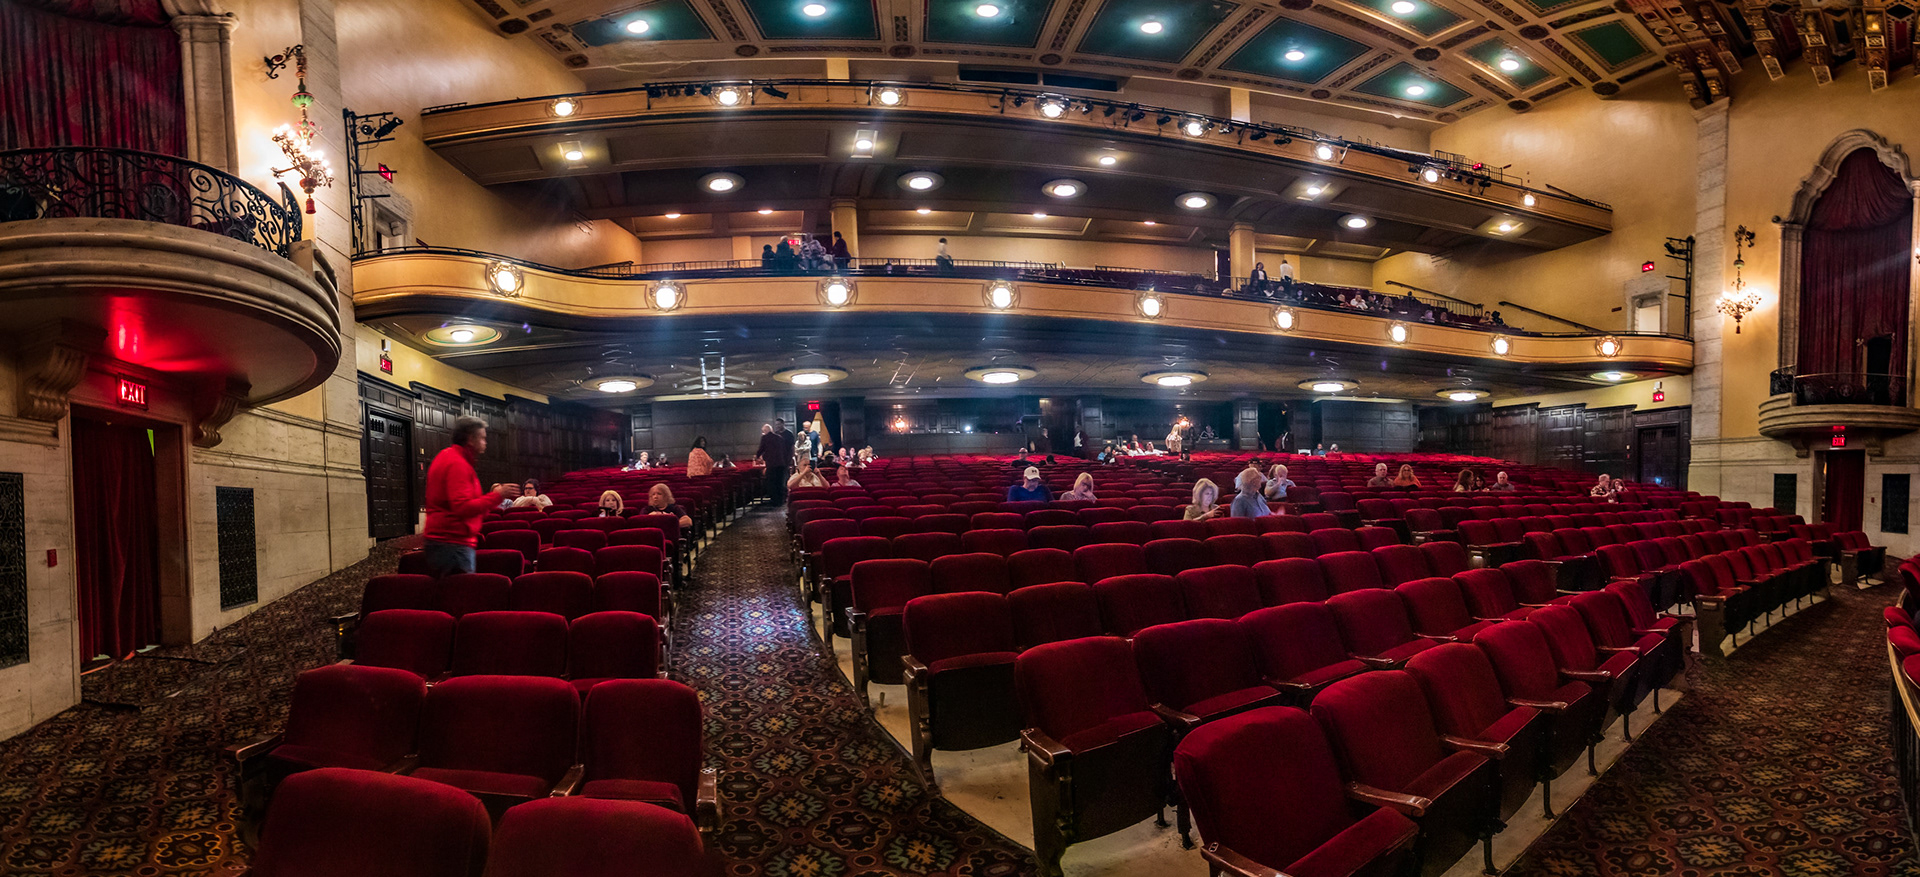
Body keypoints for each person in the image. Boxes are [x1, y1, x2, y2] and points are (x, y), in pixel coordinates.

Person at [423, 417, 517, 578]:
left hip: (445, 542)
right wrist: (497, 496)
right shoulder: (457, 463)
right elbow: (462, 507)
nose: (485, 442)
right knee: (460, 592)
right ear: (471, 439)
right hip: (453, 544)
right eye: (483, 438)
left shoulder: (447, 456)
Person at [757, 421, 792, 504]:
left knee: (772, 482)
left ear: (765, 431)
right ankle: (781, 500)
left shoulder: (765, 438)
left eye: (763, 431)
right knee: (780, 482)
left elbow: (761, 449)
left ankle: (774, 500)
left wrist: (757, 456)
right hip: (782, 463)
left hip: (772, 464)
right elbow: (785, 450)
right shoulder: (780, 437)